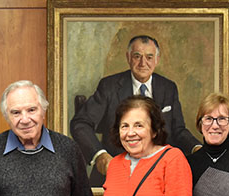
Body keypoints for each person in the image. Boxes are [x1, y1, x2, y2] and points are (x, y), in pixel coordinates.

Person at [70, 35, 199, 186]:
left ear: (157, 59)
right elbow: (80, 123)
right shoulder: (109, 86)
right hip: (116, 170)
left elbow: (178, 130)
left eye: (149, 57)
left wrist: (197, 148)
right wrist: (100, 155)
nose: (143, 63)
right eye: (137, 56)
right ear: (128, 57)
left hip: (159, 173)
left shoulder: (168, 88)